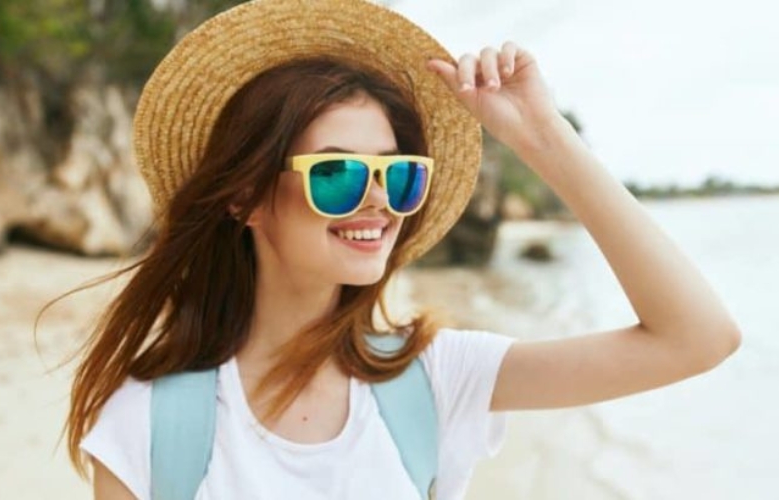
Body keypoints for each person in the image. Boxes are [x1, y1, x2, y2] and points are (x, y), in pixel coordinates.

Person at [63, 0, 741, 499]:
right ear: (244, 198)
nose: (378, 200)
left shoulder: (434, 378)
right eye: (337, 174)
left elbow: (698, 338)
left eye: (398, 173)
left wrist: (545, 140)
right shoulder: (149, 423)